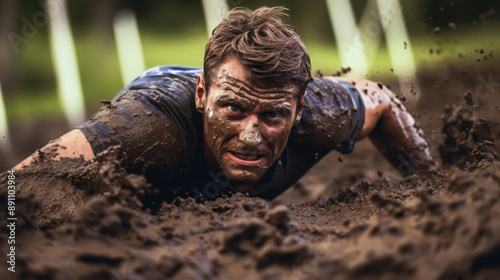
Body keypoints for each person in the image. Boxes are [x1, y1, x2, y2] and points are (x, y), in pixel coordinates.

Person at [14, 6, 437, 203]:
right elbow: (17, 185)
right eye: (234, 109)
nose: (251, 137)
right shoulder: (143, 129)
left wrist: (434, 186)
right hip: (160, 103)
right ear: (203, 96)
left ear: (300, 108)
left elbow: (380, 99)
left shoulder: (319, 113)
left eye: (272, 115)